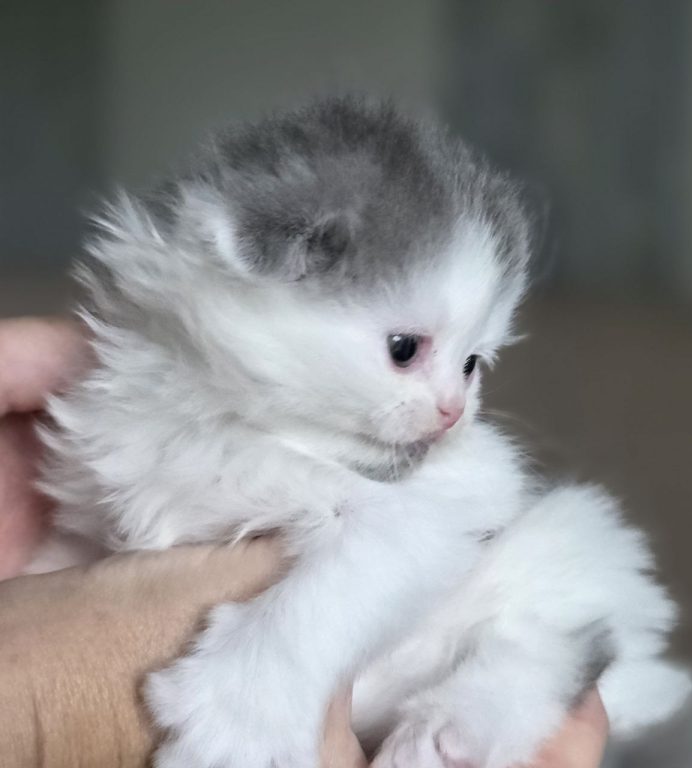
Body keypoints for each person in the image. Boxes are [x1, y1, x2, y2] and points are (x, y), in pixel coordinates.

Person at [0, 316, 609, 768]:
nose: (457, 406)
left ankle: (520, 683)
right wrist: (42, 701)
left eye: (474, 362)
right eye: (405, 349)